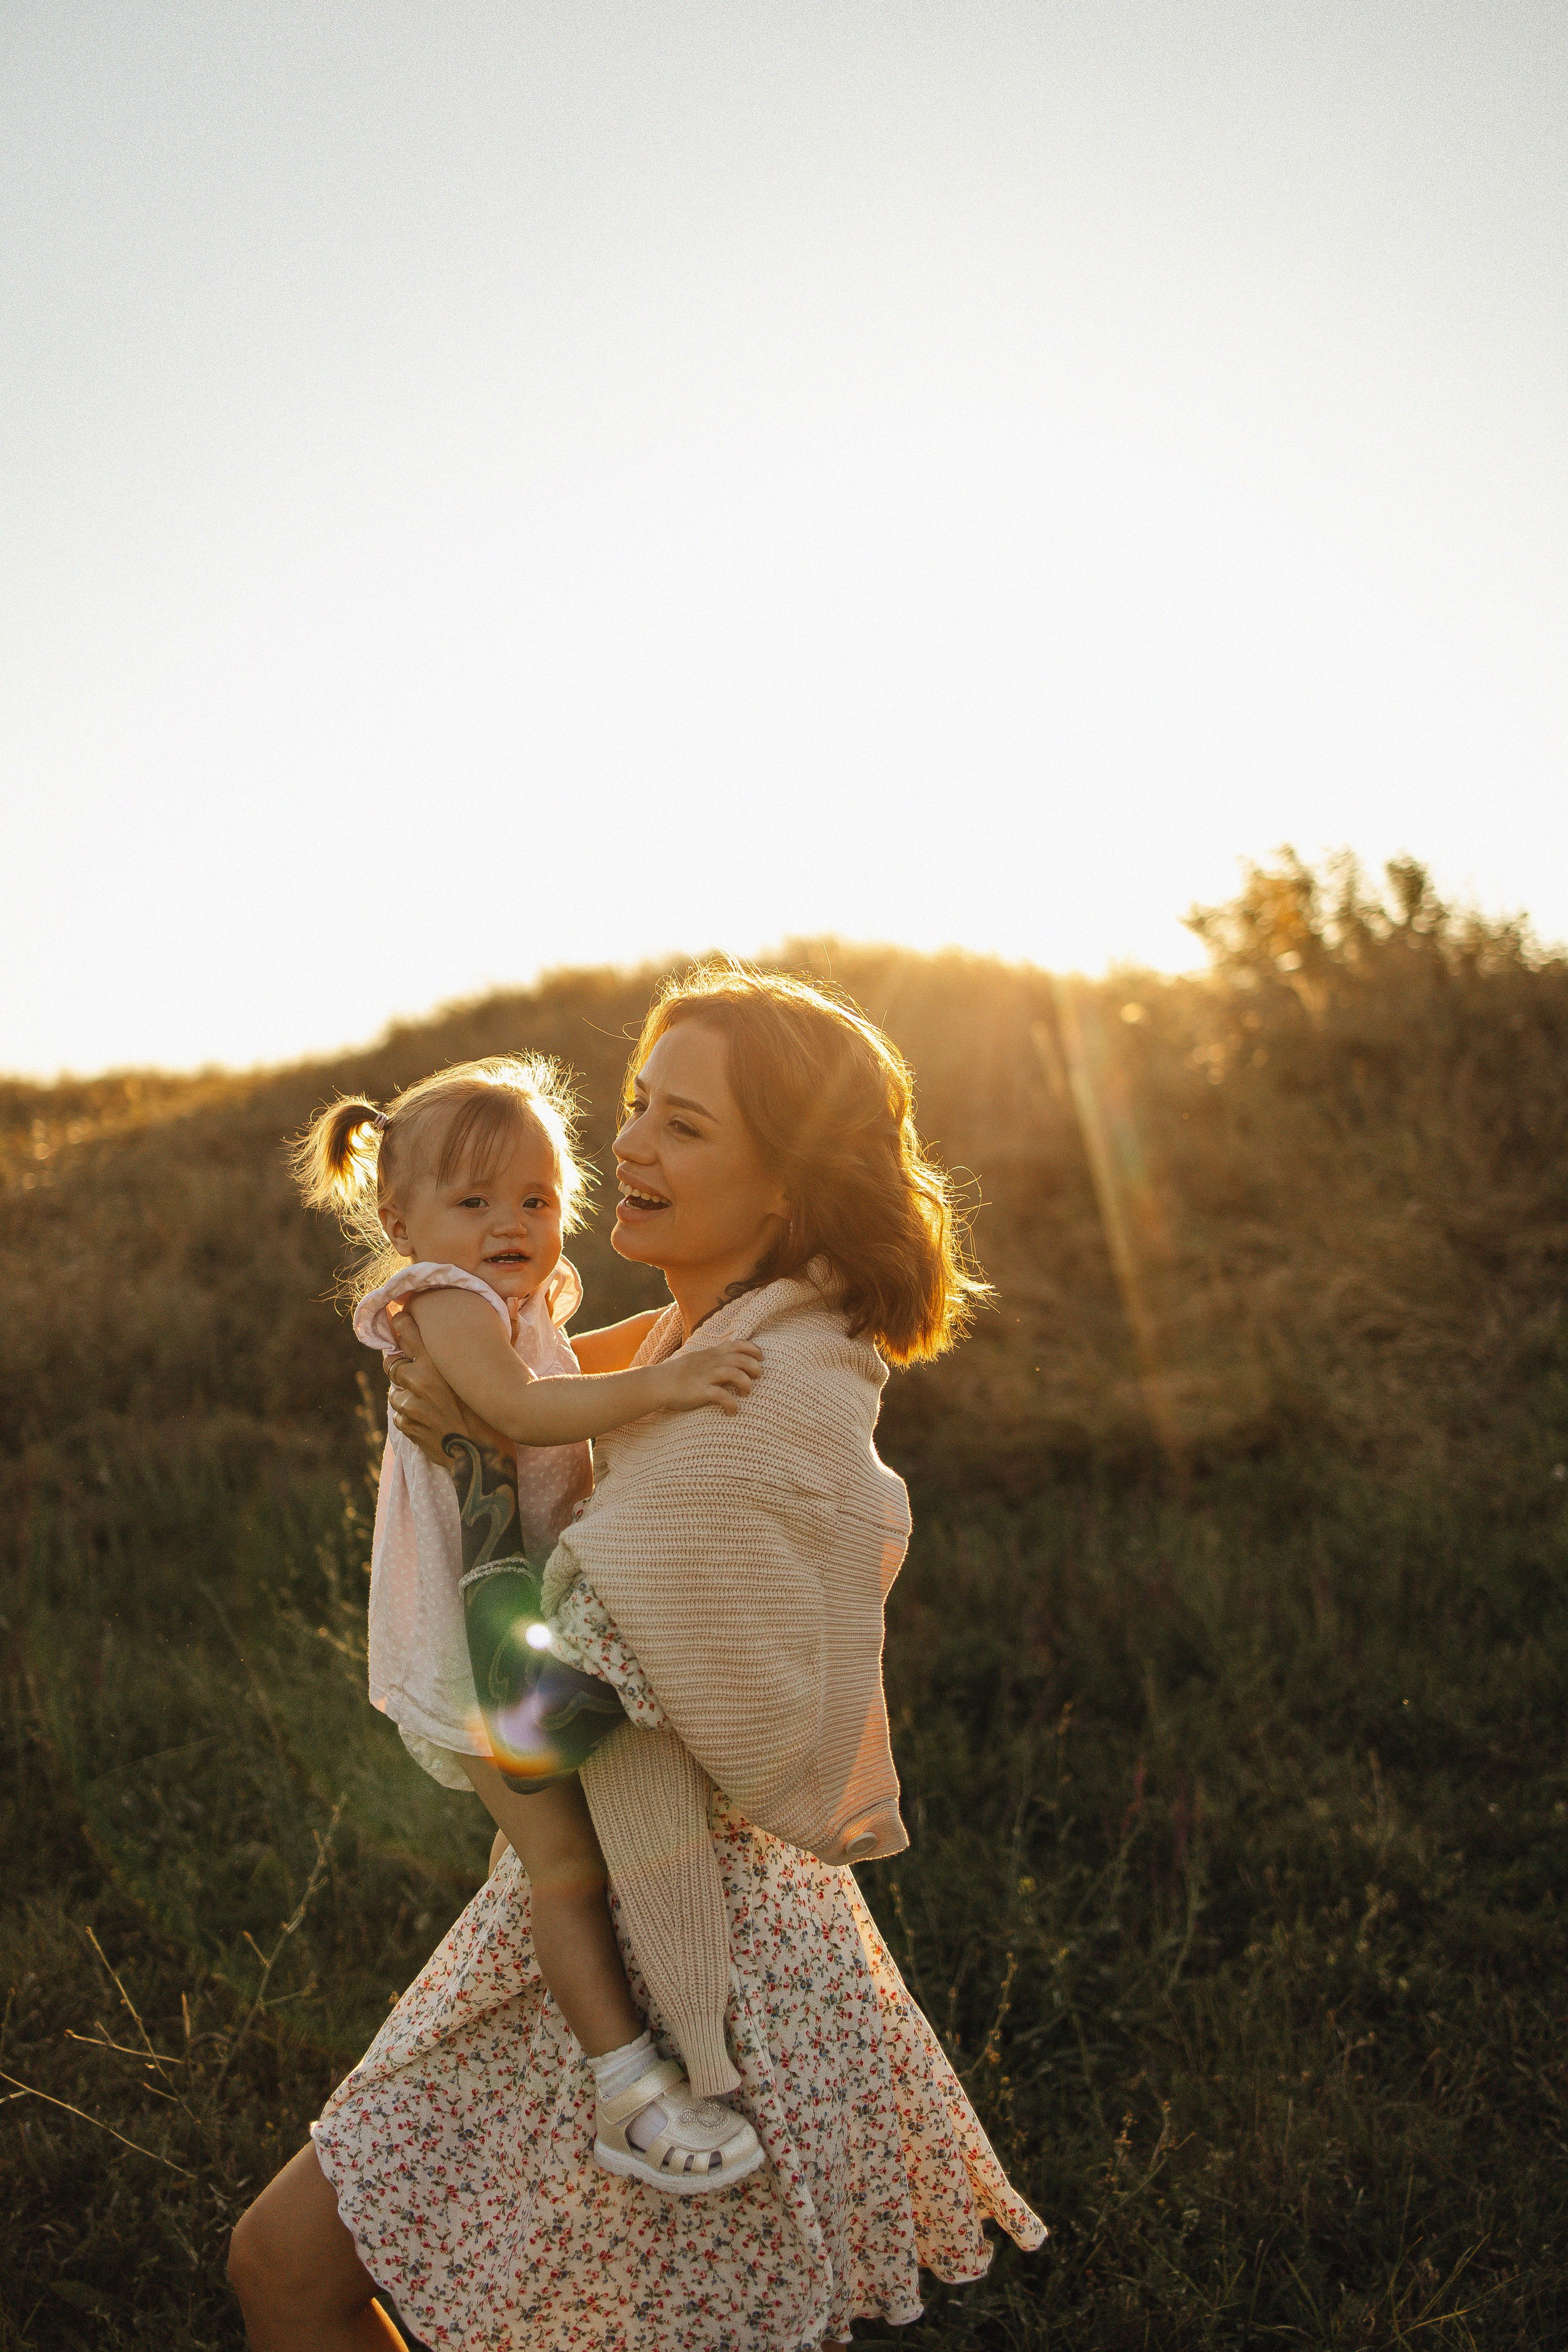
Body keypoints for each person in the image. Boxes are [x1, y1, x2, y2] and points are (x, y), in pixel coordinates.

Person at [230, 967, 1044, 2352]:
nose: (631, 1153)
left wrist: (480, 1456)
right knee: (300, 2270)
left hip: (675, 1953)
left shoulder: (740, 1407)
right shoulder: (719, 1337)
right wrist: (493, 1412)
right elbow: (557, 1384)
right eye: (634, 1110)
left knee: (291, 2271)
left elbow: (563, 1706)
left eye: (684, 1127)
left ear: (782, 1184)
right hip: (639, 1916)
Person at [291, 1056, 766, 2190]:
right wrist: (671, 1382)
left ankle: (592, 2050)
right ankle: (626, 2091)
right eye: (474, 1203)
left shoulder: (521, 1303)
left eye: (538, 1201)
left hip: (522, 1620)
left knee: (571, 1848)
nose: (513, 1225)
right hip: (464, 1646)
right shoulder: (442, 1302)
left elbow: (563, 1365)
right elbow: (512, 1406)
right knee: (560, 1864)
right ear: (402, 1222)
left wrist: (687, 1329)